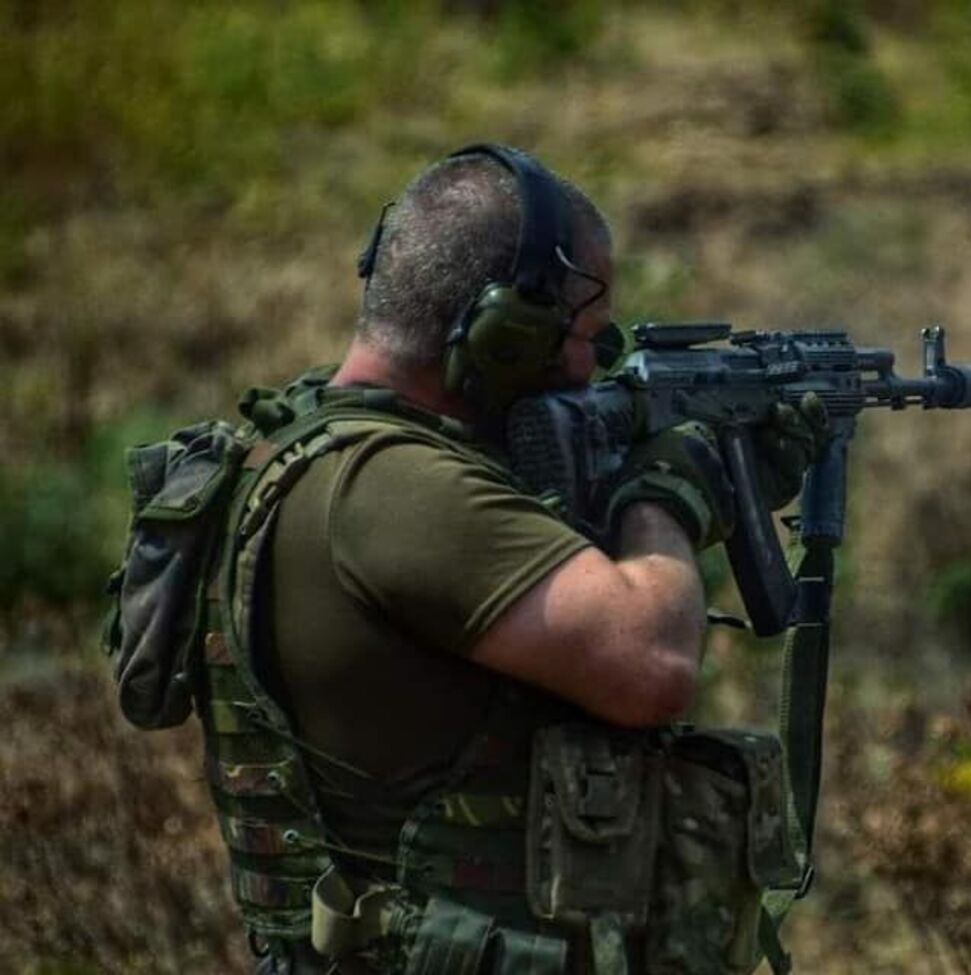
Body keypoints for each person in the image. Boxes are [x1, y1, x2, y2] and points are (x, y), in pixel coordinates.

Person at [196, 144, 824, 975]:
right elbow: (649, 660)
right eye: (587, 338)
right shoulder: (397, 488)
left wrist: (694, 492)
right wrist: (669, 495)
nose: (589, 371)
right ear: (504, 333)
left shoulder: (309, 449)